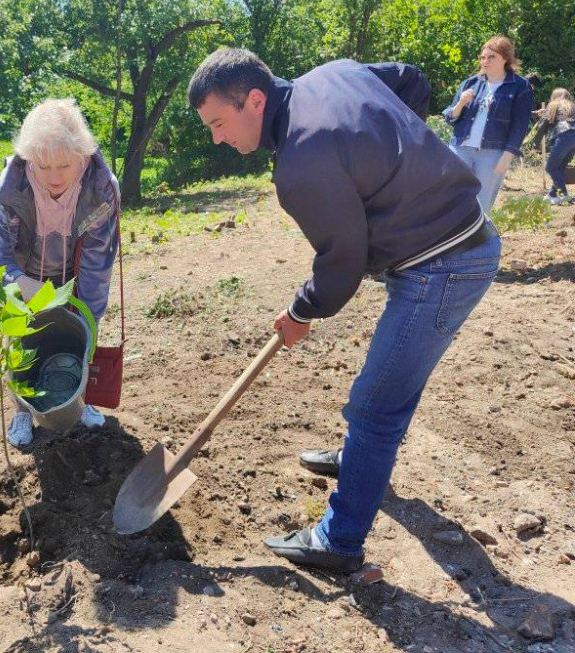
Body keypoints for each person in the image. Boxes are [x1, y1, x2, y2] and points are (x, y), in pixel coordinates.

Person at [188, 48, 501, 573]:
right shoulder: (333, 73)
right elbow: (411, 79)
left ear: (255, 100)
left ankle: (339, 541)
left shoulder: (300, 161)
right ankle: (360, 464)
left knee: (376, 408)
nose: (217, 138)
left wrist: (301, 310)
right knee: (390, 387)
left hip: (443, 267)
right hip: (454, 244)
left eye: (219, 123)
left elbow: (344, 259)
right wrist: (401, 157)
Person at [0, 98, 120, 447]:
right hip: (25, 273)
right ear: (29, 159)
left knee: (78, 330)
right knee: (22, 339)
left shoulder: (100, 190)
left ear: (84, 157)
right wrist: (21, 285)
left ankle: (82, 397)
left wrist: (85, 317)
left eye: (65, 165)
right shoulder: (11, 190)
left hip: (75, 274)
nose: (55, 176)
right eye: (43, 167)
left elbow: (97, 265)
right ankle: (21, 411)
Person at [442, 35, 534, 212]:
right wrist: (460, 103)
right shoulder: (470, 83)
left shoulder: (520, 87)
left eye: (492, 57)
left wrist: (507, 157)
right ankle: (450, 238)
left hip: (492, 154)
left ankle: (479, 239)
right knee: (451, 197)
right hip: (460, 148)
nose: (485, 61)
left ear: (505, 58)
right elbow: (449, 116)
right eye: (483, 57)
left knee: (481, 204)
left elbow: (520, 126)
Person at [529, 88, 575, 204]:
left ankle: (563, 194)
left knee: (550, 167)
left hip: (563, 137)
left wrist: (535, 145)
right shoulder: (572, 106)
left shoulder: (553, 105)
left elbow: (541, 127)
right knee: (560, 168)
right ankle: (552, 194)